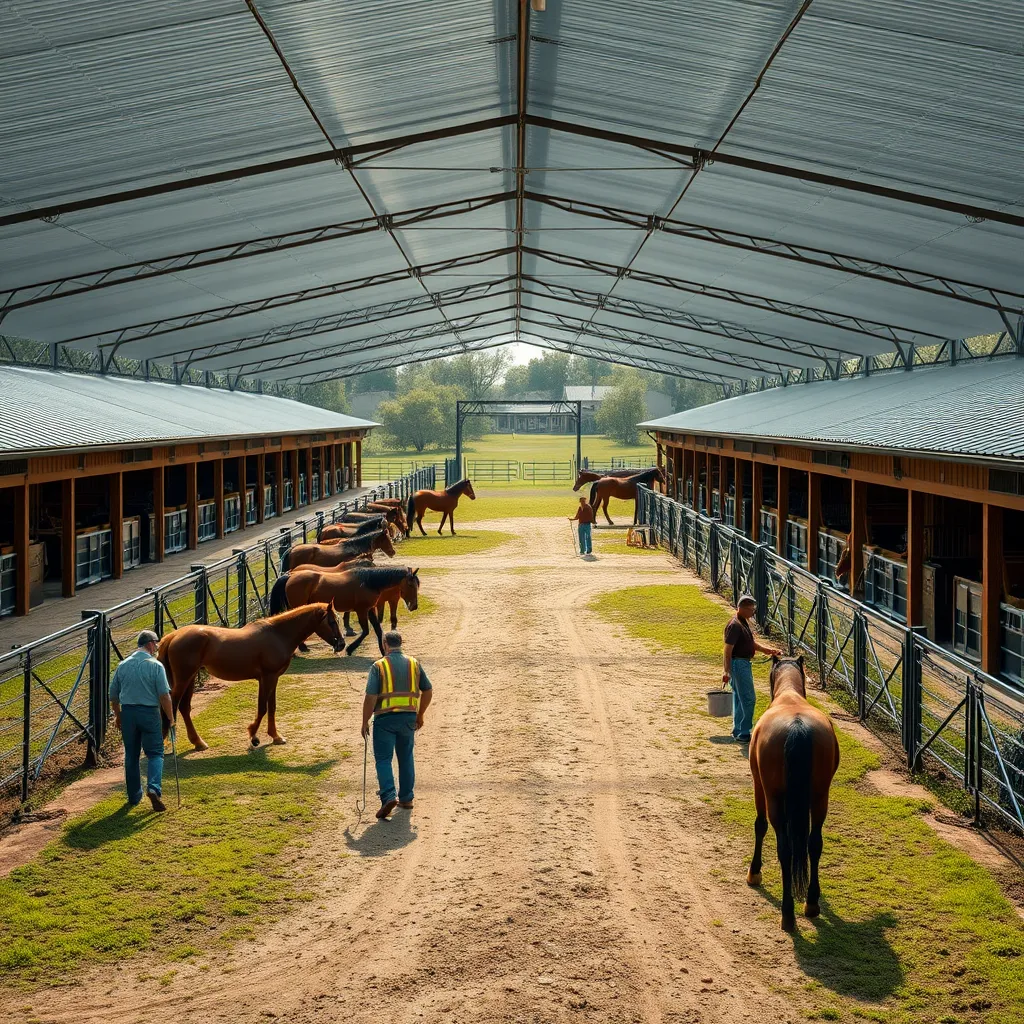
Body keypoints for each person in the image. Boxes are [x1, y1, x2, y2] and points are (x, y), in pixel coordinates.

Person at [361, 630, 433, 819]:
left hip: (385, 720)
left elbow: (370, 697)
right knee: (406, 757)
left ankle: (388, 796)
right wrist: (420, 714)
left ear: (385, 644)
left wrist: (364, 721)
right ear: (401, 642)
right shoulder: (414, 663)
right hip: (409, 718)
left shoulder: (379, 666)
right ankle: (406, 799)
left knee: (384, 759)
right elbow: (428, 690)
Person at [109, 630, 174, 811]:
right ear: (150, 644)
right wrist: (170, 717)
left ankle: (134, 796)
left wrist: (118, 715)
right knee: (155, 753)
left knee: (131, 755)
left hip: (129, 713)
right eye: (156, 643)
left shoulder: (122, 665)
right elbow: (164, 696)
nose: (157, 647)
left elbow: (113, 695)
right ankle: (153, 788)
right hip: (149, 713)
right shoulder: (156, 666)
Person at [722, 596, 781, 744]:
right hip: (739, 664)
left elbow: (750, 642)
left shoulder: (742, 622)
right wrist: (726, 670)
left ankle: (739, 730)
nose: (753, 613)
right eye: (751, 610)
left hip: (742, 663)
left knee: (740, 698)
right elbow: (727, 650)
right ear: (742, 608)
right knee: (748, 699)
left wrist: (766, 650)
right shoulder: (735, 625)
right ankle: (744, 732)